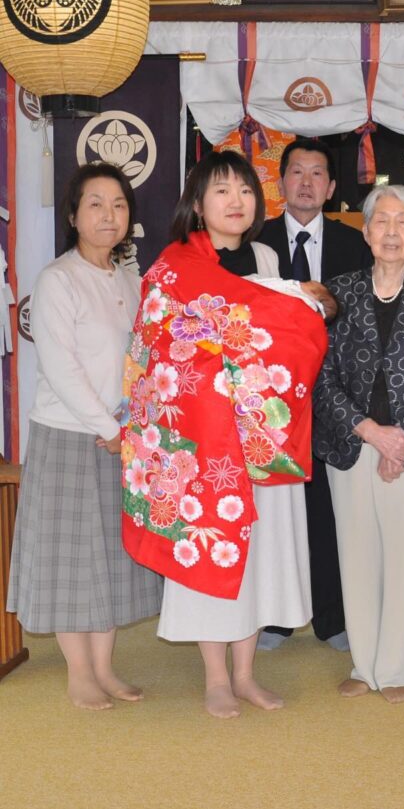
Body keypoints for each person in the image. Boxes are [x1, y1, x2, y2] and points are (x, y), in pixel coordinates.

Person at [121, 151, 328, 718]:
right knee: (207, 549)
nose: (235, 200)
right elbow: (158, 349)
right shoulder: (171, 266)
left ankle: (245, 673)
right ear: (198, 202)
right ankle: (215, 677)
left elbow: (284, 338)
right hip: (203, 442)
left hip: (262, 438)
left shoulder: (264, 255)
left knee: (258, 558)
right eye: (221, 191)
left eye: (244, 190)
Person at [6, 163, 162, 710]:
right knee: (72, 559)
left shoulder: (128, 278)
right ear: (73, 215)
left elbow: (144, 357)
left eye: (118, 205)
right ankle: (79, 674)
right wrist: (110, 427)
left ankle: (105, 668)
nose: (108, 215)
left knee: (111, 558)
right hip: (74, 435)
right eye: (95, 204)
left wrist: (136, 426)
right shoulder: (57, 279)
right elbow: (62, 367)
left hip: (122, 436)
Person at [313, 185, 404, 704]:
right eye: (382, 221)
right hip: (352, 443)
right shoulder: (341, 290)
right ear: (367, 231)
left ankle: (397, 669)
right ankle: (364, 662)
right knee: (356, 557)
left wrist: (400, 441)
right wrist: (370, 432)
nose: (392, 231)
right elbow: (322, 377)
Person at [256, 137, 371, 653]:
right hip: (270, 404)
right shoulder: (254, 246)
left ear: (330, 186)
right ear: (279, 183)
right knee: (276, 511)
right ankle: (277, 619)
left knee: (329, 510)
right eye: (296, 172)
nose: (306, 182)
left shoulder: (355, 247)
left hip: (335, 398)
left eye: (316, 173)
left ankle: (333, 617)